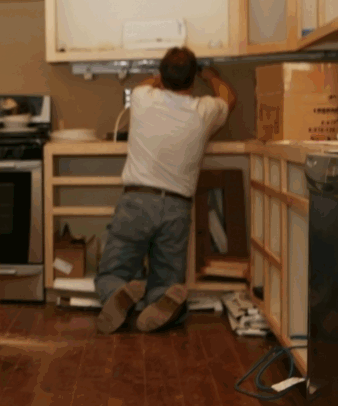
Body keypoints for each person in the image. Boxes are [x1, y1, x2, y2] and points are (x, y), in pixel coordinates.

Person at [95, 47, 236, 334]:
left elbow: (144, 84)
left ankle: (116, 294)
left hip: (137, 199)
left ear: (161, 75)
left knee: (113, 270)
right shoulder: (205, 110)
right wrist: (209, 74)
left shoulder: (142, 98)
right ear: (192, 80)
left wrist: (158, 77)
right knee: (167, 278)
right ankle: (162, 300)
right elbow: (229, 98)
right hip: (176, 206)